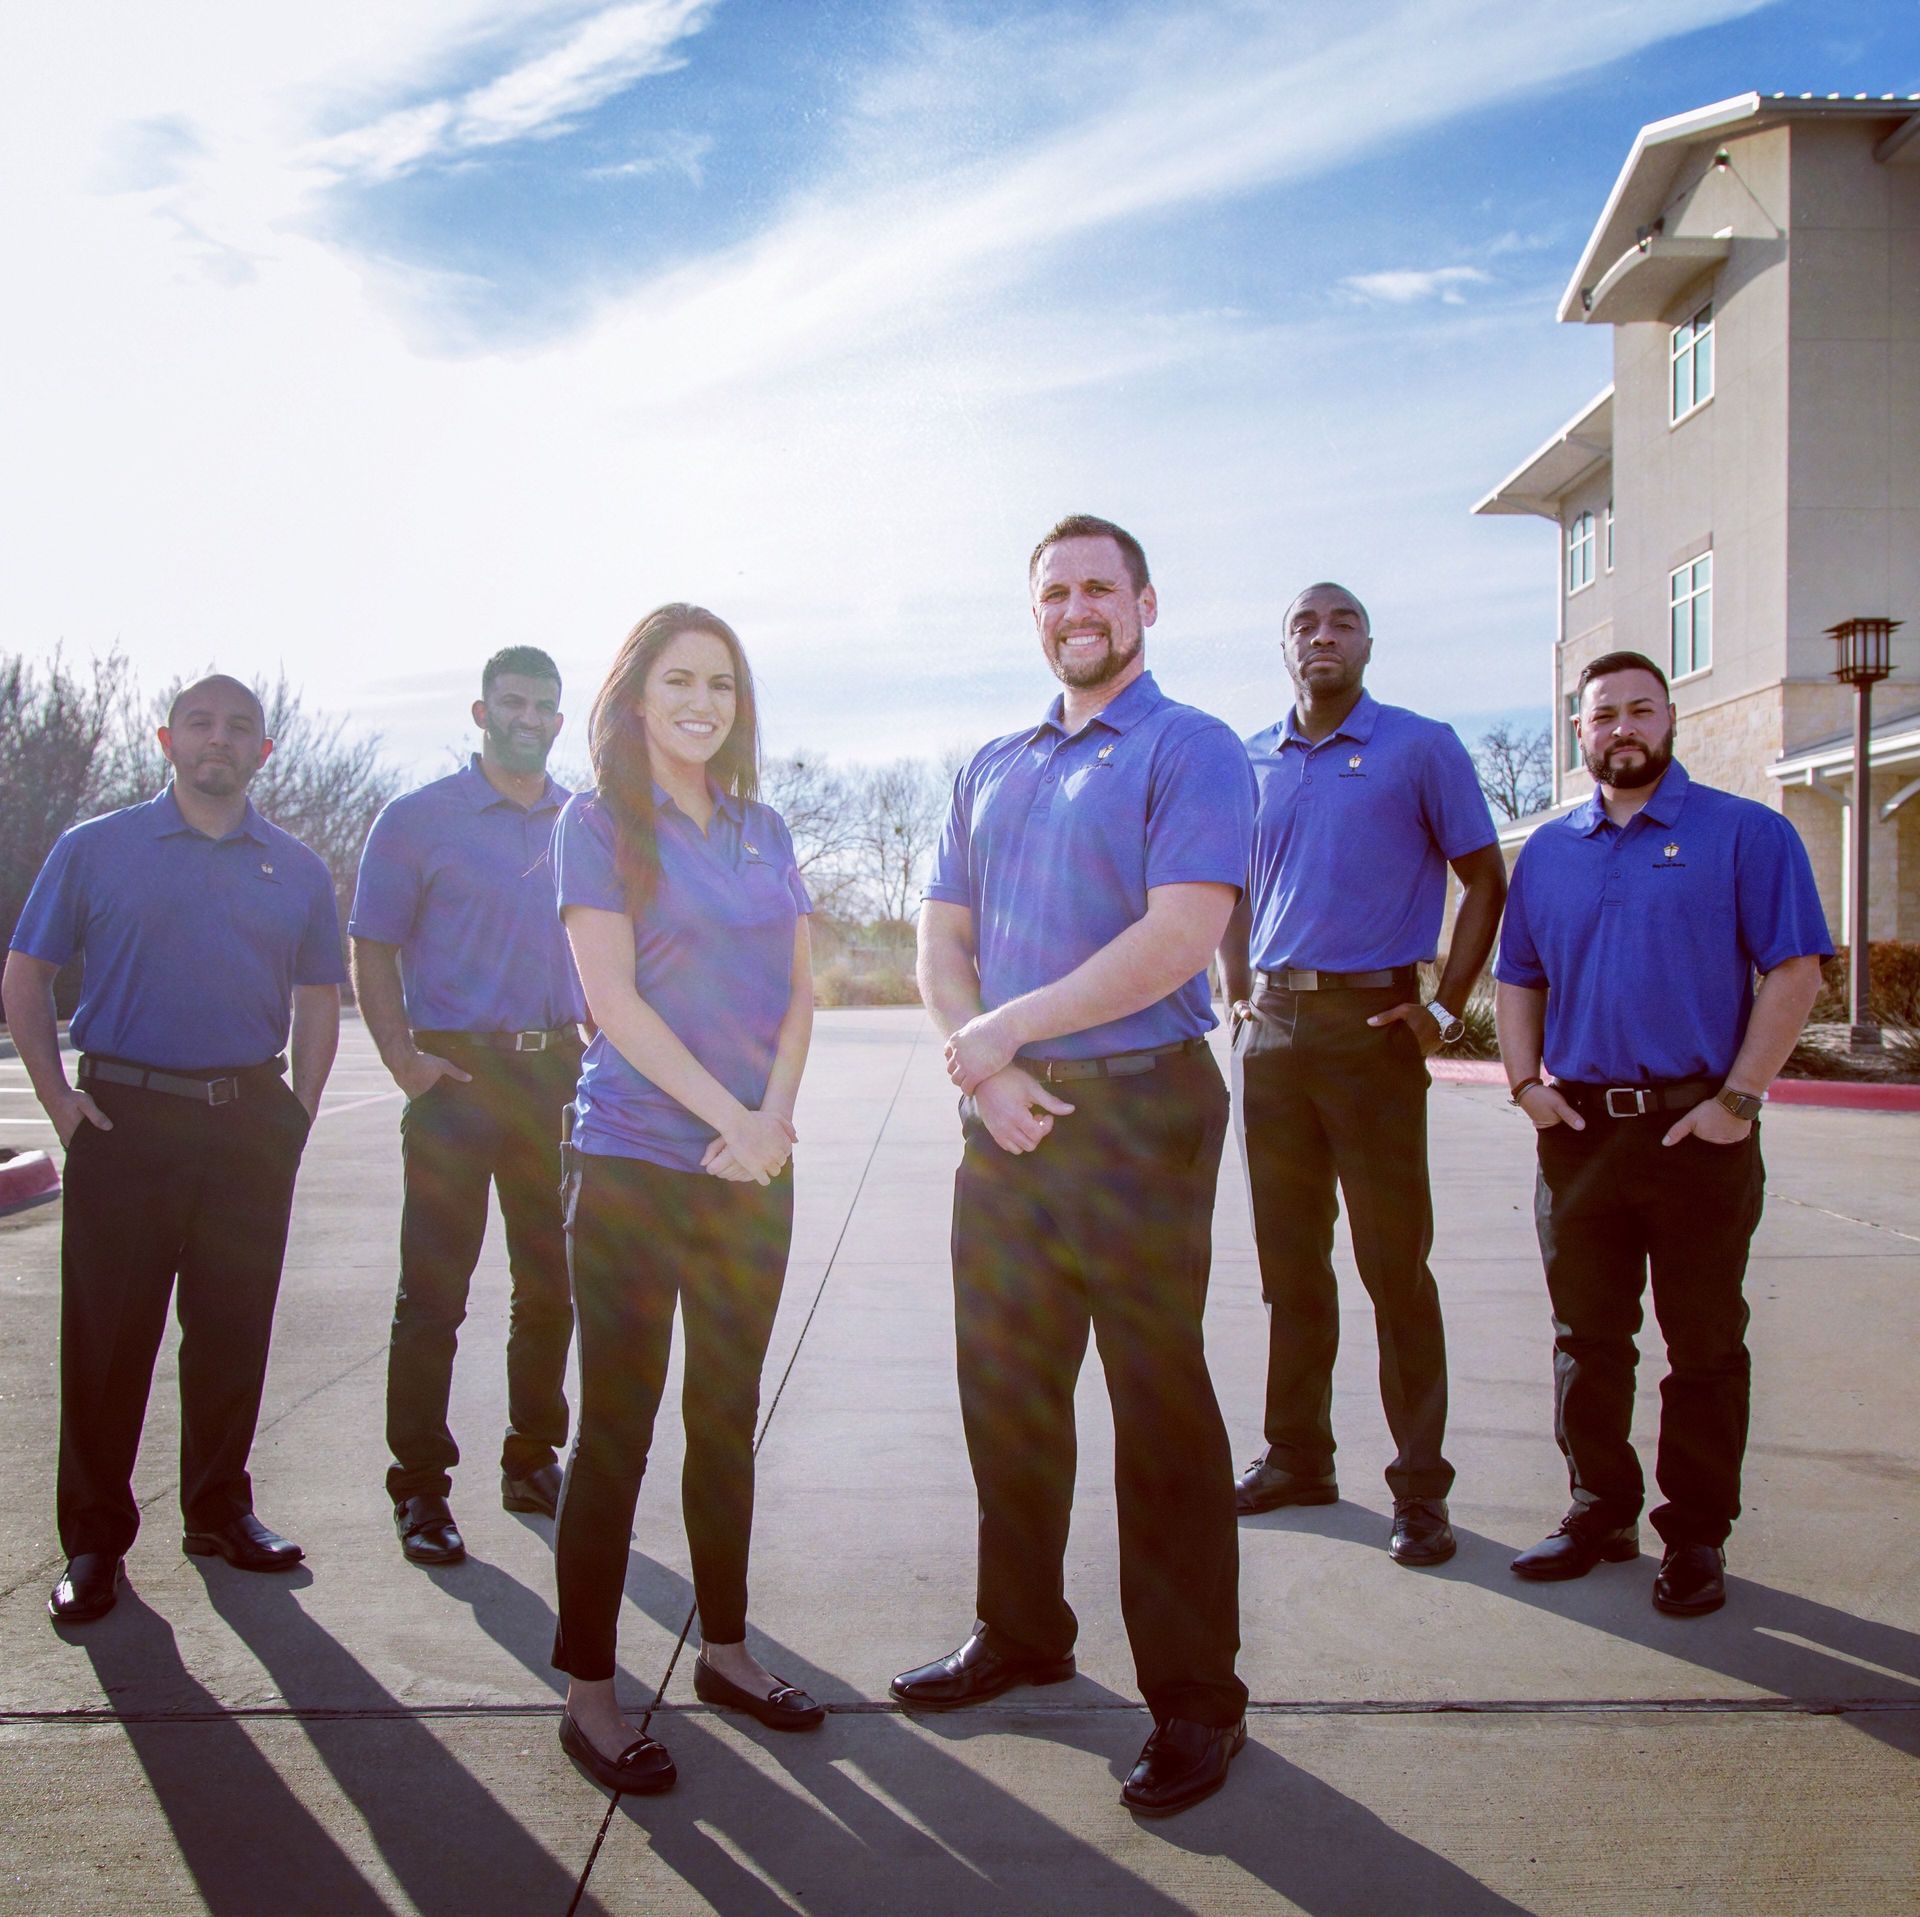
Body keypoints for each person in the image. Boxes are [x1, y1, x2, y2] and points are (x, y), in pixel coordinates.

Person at [897, 514, 1254, 1818]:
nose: (1076, 609)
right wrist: (985, 1069)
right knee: (1006, 1392)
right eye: (1055, 591)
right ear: (1035, 611)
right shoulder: (990, 764)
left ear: (1146, 604)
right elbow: (941, 941)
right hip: (1005, 1119)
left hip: (1140, 1114)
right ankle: (1022, 1631)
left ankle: (1197, 1699)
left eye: (1101, 586)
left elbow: (1181, 936)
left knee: (1157, 1405)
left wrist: (1010, 1030)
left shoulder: (1190, 747)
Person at [548, 604, 821, 1799]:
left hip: (749, 1173)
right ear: (635, 696)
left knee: (725, 1415)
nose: (702, 703)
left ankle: (726, 1650)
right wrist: (732, 1117)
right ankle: (590, 1692)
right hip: (633, 1166)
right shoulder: (595, 823)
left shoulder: (766, 828)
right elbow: (612, 1002)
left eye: (721, 683)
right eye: (678, 681)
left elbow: (801, 995)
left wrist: (771, 1125)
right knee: (617, 1425)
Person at [3, 675, 343, 1624]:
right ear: (167, 740)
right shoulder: (95, 848)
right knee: (109, 1339)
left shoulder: (297, 868)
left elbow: (320, 995)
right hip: (125, 1122)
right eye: (200, 722)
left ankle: (219, 1511)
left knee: (234, 1327)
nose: (217, 739)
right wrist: (61, 1102)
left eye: (239, 727)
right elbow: (25, 974)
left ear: (264, 751)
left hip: (248, 1121)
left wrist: (297, 1115)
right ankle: (93, 1541)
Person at [1494, 651, 1828, 1616]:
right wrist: (1525, 1085)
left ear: (1669, 720)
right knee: (1586, 1338)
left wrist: (1738, 1102)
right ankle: (1599, 1509)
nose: (1624, 728)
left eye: (1642, 709)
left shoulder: (1745, 833)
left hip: (1698, 1134)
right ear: (1580, 732)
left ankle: (1696, 1536)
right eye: (1604, 714)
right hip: (1579, 1134)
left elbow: (1796, 971)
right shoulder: (1549, 851)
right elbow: (1519, 977)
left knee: (1704, 1344)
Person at [1221, 583, 1505, 1567]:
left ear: (1369, 643)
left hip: (1372, 1028)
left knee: (1394, 1268)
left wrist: (1444, 1008)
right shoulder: (1249, 759)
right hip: (1273, 1034)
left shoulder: (1419, 747)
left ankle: (1420, 1491)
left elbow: (1485, 878)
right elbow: (1228, 888)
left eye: (1341, 622)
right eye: (1304, 623)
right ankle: (1298, 1457)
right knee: (1289, 1266)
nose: (1323, 636)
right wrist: (1235, 991)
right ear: (1285, 648)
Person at [350, 647, 586, 1566]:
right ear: (482, 712)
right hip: (454, 1079)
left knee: (552, 1282)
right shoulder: (417, 820)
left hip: (557, 1074)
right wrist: (404, 1060)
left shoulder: (584, 822)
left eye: (543, 706)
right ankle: (420, 1487)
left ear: (559, 720)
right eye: (511, 702)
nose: (528, 718)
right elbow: (372, 945)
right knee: (434, 1294)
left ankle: (532, 1457)